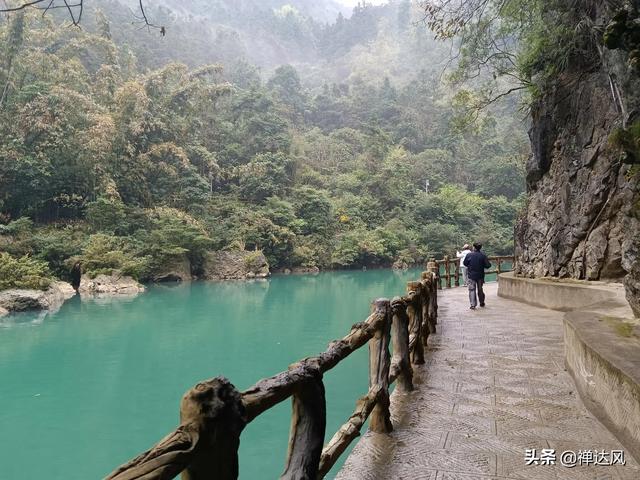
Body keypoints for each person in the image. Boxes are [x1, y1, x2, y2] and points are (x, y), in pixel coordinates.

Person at [463, 242, 491, 309]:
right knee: (480, 289)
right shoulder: (483, 255)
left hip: (471, 275)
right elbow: (488, 265)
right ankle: (481, 302)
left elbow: (465, 263)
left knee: (472, 289)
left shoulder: (469, 255)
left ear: (474, 247)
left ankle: (473, 304)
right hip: (480, 275)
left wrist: (470, 266)